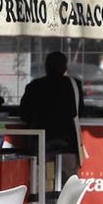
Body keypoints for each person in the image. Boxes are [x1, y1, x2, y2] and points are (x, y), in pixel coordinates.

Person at [18, 51, 86, 187]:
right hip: (68, 144)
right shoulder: (74, 85)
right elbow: (80, 112)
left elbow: (24, 114)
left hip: (42, 145)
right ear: (65, 67)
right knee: (69, 188)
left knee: (43, 187)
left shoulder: (34, 86)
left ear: (46, 67)